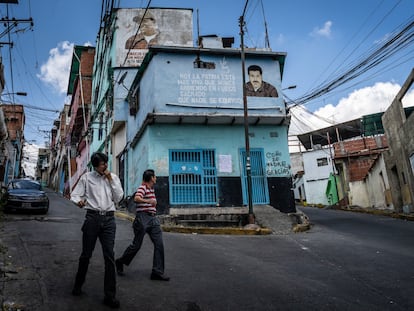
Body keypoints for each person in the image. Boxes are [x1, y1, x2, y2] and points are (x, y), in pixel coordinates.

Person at [71, 152, 124, 309]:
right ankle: (78, 285)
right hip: (92, 218)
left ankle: (110, 295)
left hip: (109, 219)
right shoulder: (87, 178)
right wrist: (78, 201)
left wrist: (110, 180)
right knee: (86, 255)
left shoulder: (113, 178)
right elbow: (75, 194)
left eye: (106, 163)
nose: (105, 166)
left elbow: (118, 197)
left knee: (109, 257)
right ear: (95, 166)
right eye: (102, 164)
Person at [115, 169, 170, 281]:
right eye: (154, 176)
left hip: (152, 218)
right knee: (136, 245)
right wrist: (149, 201)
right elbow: (136, 198)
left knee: (159, 243)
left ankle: (157, 272)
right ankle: (120, 261)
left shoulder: (151, 188)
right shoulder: (143, 187)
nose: (156, 178)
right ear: (151, 178)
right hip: (142, 218)